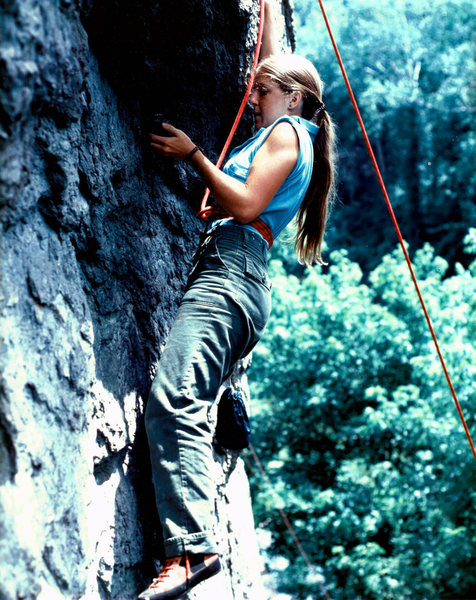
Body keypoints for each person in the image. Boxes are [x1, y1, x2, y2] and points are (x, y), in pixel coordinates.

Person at [139, 1, 336, 598]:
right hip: (238, 276)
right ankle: (194, 531)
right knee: (188, 398)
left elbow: (246, 206)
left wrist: (194, 155)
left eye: (261, 92)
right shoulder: (286, 129)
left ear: (293, 97)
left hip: (231, 273)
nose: (251, 97)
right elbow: (273, 56)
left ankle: (193, 549)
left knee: (174, 396)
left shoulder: (287, 132)